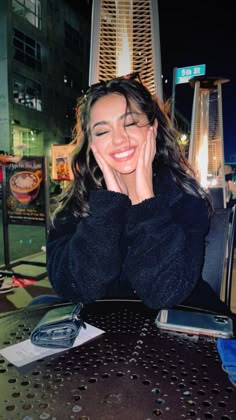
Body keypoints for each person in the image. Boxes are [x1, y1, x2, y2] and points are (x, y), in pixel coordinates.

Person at [46, 75, 230, 314]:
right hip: (103, 337)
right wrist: (108, 209)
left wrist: (146, 201)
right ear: (92, 145)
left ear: (153, 128)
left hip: (176, 335)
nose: (119, 139)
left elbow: (164, 292)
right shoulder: (75, 204)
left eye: (130, 123)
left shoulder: (185, 199)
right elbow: (79, 288)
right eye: (102, 132)